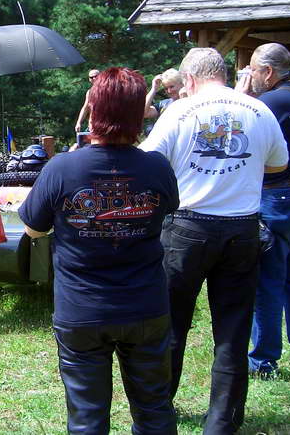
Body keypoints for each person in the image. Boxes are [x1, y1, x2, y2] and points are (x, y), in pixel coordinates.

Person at [20, 67, 179, 434]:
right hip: (145, 306)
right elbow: (168, 207)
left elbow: (32, 228)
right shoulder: (156, 166)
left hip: (82, 309)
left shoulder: (62, 167)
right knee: (154, 409)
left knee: (87, 417)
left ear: (93, 109)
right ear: (139, 113)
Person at [140, 47, 288, 434]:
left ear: (187, 80)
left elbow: (149, 161)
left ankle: (160, 409)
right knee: (233, 329)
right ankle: (223, 423)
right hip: (242, 228)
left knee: (171, 323)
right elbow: (279, 163)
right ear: (222, 73)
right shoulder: (259, 109)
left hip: (188, 226)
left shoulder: (178, 111)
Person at [239, 43, 290, 376]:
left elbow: (237, 133)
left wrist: (241, 97)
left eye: (253, 70)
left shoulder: (268, 102)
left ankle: (263, 361)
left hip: (279, 196)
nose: (250, 76)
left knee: (268, 280)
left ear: (268, 72)